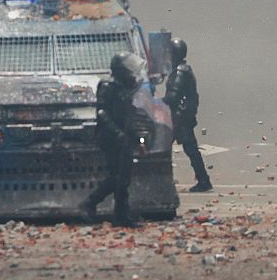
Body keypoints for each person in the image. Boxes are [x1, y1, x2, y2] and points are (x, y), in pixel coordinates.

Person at [80, 53, 151, 226]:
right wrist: (118, 133)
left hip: (123, 137)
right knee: (118, 176)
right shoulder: (108, 86)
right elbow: (102, 113)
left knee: (124, 176)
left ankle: (121, 215)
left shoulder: (125, 89)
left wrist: (139, 140)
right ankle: (90, 202)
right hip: (110, 137)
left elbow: (130, 117)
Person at [164, 39, 212, 192]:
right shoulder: (183, 69)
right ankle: (203, 179)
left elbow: (173, 96)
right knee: (189, 149)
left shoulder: (180, 72)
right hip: (181, 116)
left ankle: (203, 180)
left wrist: (154, 102)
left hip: (179, 118)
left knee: (166, 148)